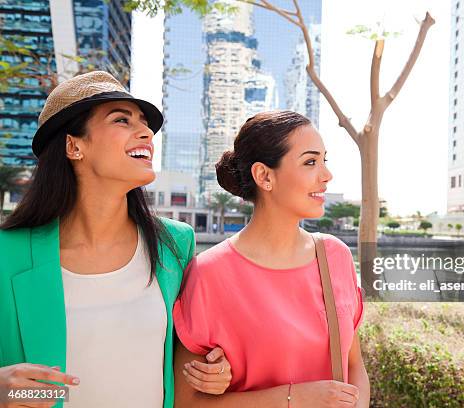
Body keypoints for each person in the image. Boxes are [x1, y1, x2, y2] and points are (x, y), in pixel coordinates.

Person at [0, 71, 231, 408]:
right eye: (121, 120)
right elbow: (35, 391)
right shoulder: (9, 254)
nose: (146, 132)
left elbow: (185, 360)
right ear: (73, 145)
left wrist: (213, 373)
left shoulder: (175, 244)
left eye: (145, 124)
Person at [173, 111, 370, 407]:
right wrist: (294, 397)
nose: (326, 175)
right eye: (310, 162)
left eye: (324, 161)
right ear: (264, 176)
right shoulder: (210, 273)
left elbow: (354, 367)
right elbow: (188, 402)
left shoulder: (335, 257)